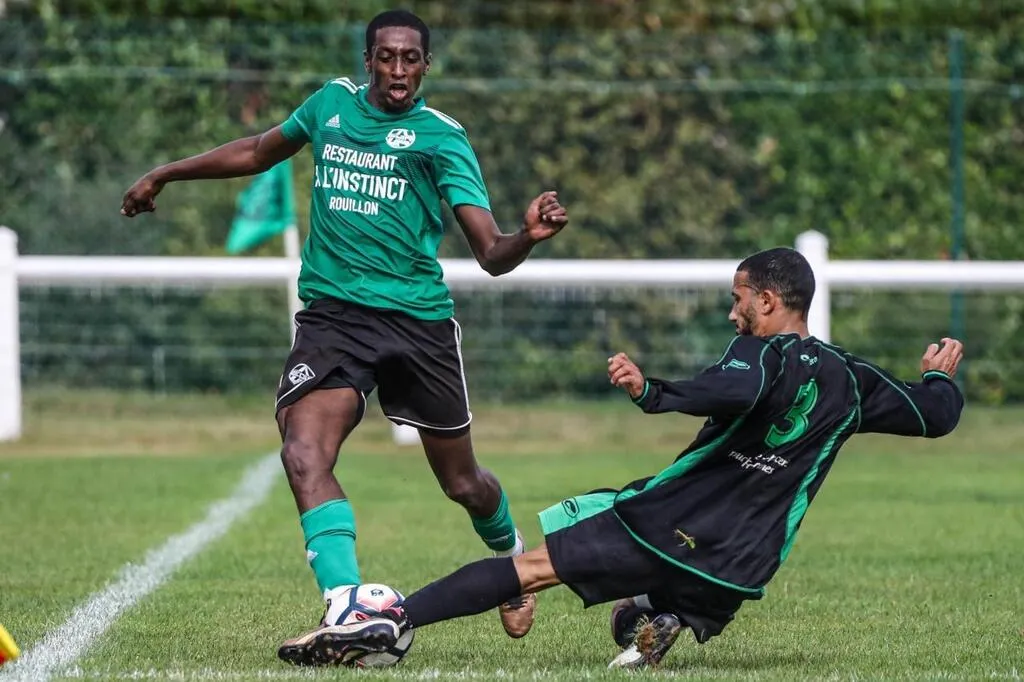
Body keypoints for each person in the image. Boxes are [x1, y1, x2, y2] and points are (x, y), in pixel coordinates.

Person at [120, 9, 568, 666]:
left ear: (426, 66)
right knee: (302, 451)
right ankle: (346, 604)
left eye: (410, 59)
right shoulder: (329, 106)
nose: (397, 70)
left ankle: (512, 559)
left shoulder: (441, 139)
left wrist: (526, 236)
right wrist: (166, 172)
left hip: (416, 324)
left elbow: (490, 254)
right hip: (334, 321)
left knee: (463, 483)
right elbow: (257, 151)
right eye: (386, 57)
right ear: (368, 61)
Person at [336, 246, 965, 670]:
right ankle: (664, 617)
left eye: (739, 299)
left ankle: (389, 620)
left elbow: (737, 390)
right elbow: (936, 415)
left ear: (770, 301)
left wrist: (653, 393)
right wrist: (938, 377)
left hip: (672, 524)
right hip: (744, 562)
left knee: (529, 569)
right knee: (632, 615)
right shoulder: (851, 380)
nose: (733, 313)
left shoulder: (761, 353)